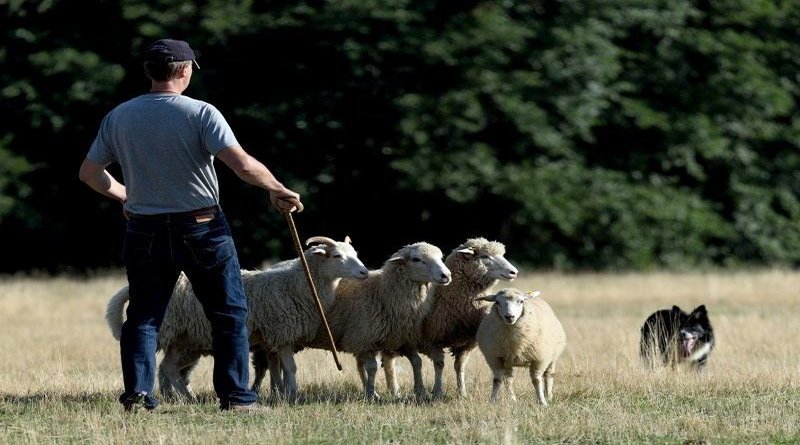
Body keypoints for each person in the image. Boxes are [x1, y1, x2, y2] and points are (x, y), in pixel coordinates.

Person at [78, 38, 303, 412]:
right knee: (228, 311)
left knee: (144, 315)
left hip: (143, 228)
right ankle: (236, 397)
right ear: (184, 70)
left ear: (149, 72)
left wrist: (125, 195)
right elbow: (243, 165)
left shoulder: (119, 116)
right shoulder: (201, 113)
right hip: (202, 228)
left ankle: (137, 396)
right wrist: (277, 189)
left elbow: (89, 173)